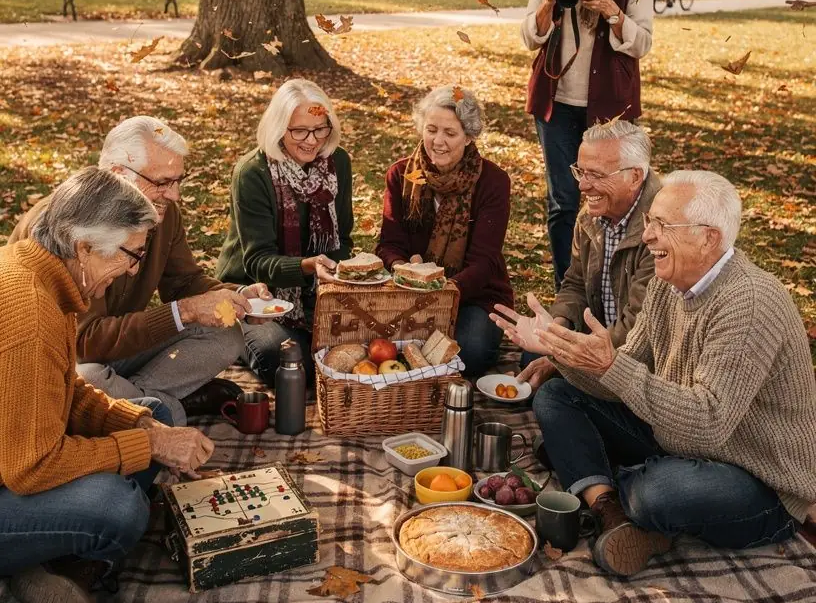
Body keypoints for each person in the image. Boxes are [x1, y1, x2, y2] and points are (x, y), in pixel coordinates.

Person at [515, 171, 816, 577]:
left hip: (759, 479)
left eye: (662, 226)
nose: (647, 236)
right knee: (555, 394)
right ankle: (611, 513)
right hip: (676, 440)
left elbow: (708, 424)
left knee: (657, 491)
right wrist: (562, 350)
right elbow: (624, 374)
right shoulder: (667, 283)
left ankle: (607, 480)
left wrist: (610, 366)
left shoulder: (749, 302)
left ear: (708, 237)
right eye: (649, 222)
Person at [1, 168, 214, 603]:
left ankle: (42, 565)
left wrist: (147, 430)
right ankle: (47, 568)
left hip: (16, 452)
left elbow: (68, 392)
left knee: (151, 413)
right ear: (83, 248)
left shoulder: (43, 272)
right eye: (131, 254)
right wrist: (146, 449)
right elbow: (31, 467)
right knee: (118, 510)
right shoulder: (32, 315)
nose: (136, 269)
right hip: (18, 468)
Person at [11, 116, 258, 424]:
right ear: (118, 174)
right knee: (90, 379)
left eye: (179, 180)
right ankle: (169, 407)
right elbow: (85, 343)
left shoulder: (163, 212)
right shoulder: (67, 227)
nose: (175, 195)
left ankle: (139, 404)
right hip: (73, 363)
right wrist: (183, 312)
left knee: (226, 330)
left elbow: (183, 282)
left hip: (124, 349)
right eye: (163, 182)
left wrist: (238, 296)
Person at [521, 0, 654, 287]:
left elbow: (643, 43)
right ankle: (569, 295)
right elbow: (530, 37)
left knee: (615, 202)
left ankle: (611, 290)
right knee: (563, 202)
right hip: (556, 103)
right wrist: (548, 2)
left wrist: (613, 11)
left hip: (610, 108)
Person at [493, 119, 659, 394]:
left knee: (550, 397)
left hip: (635, 365)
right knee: (532, 360)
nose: (582, 186)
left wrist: (562, 350)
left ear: (635, 176)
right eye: (580, 172)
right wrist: (557, 327)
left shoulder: (660, 229)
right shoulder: (589, 218)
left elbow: (637, 330)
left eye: (597, 175)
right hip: (595, 343)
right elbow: (574, 283)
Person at [217, 79, 353, 384]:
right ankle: (238, 333)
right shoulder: (253, 173)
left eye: (320, 128)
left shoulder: (338, 163)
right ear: (279, 128)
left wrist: (330, 280)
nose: (311, 140)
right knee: (288, 360)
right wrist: (309, 266)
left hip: (315, 288)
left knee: (352, 352)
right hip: (254, 291)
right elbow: (258, 262)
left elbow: (343, 239)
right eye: (299, 130)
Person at [376, 86, 513, 377]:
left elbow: (484, 262)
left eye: (450, 133)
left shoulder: (493, 182)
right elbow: (389, 244)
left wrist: (441, 292)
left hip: (473, 295)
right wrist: (403, 269)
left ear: (469, 135)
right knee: (386, 350)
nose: (438, 141)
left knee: (468, 352)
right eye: (431, 129)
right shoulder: (400, 175)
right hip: (409, 292)